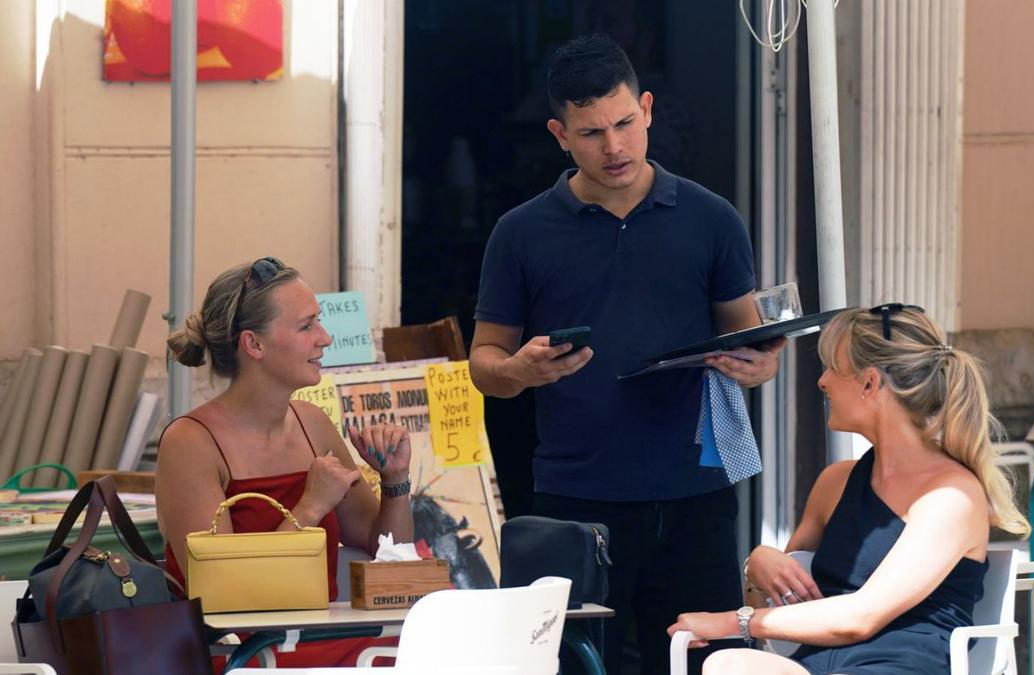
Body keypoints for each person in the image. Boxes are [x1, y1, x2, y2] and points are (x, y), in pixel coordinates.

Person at [469, 34, 784, 674]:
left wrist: (762, 366)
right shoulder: (520, 233)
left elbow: (750, 342)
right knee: (575, 668)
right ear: (559, 134)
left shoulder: (712, 218)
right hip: (574, 499)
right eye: (590, 133)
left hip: (694, 498)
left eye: (623, 124)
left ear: (646, 109)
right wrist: (518, 371)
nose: (613, 147)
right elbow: (483, 365)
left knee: (708, 665)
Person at [669, 305, 1030, 674]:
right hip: (818, 666)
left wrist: (731, 621)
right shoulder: (835, 482)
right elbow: (784, 611)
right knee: (726, 663)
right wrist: (759, 566)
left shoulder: (952, 497)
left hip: (898, 668)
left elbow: (863, 616)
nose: (821, 382)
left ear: (870, 383)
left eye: (832, 368)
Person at [156, 257, 414, 669]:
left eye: (320, 321)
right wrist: (310, 508)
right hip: (247, 654)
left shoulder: (313, 424)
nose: (325, 338)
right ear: (253, 344)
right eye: (306, 325)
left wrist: (395, 479)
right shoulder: (190, 442)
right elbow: (224, 595)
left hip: (333, 643)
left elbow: (388, 548)